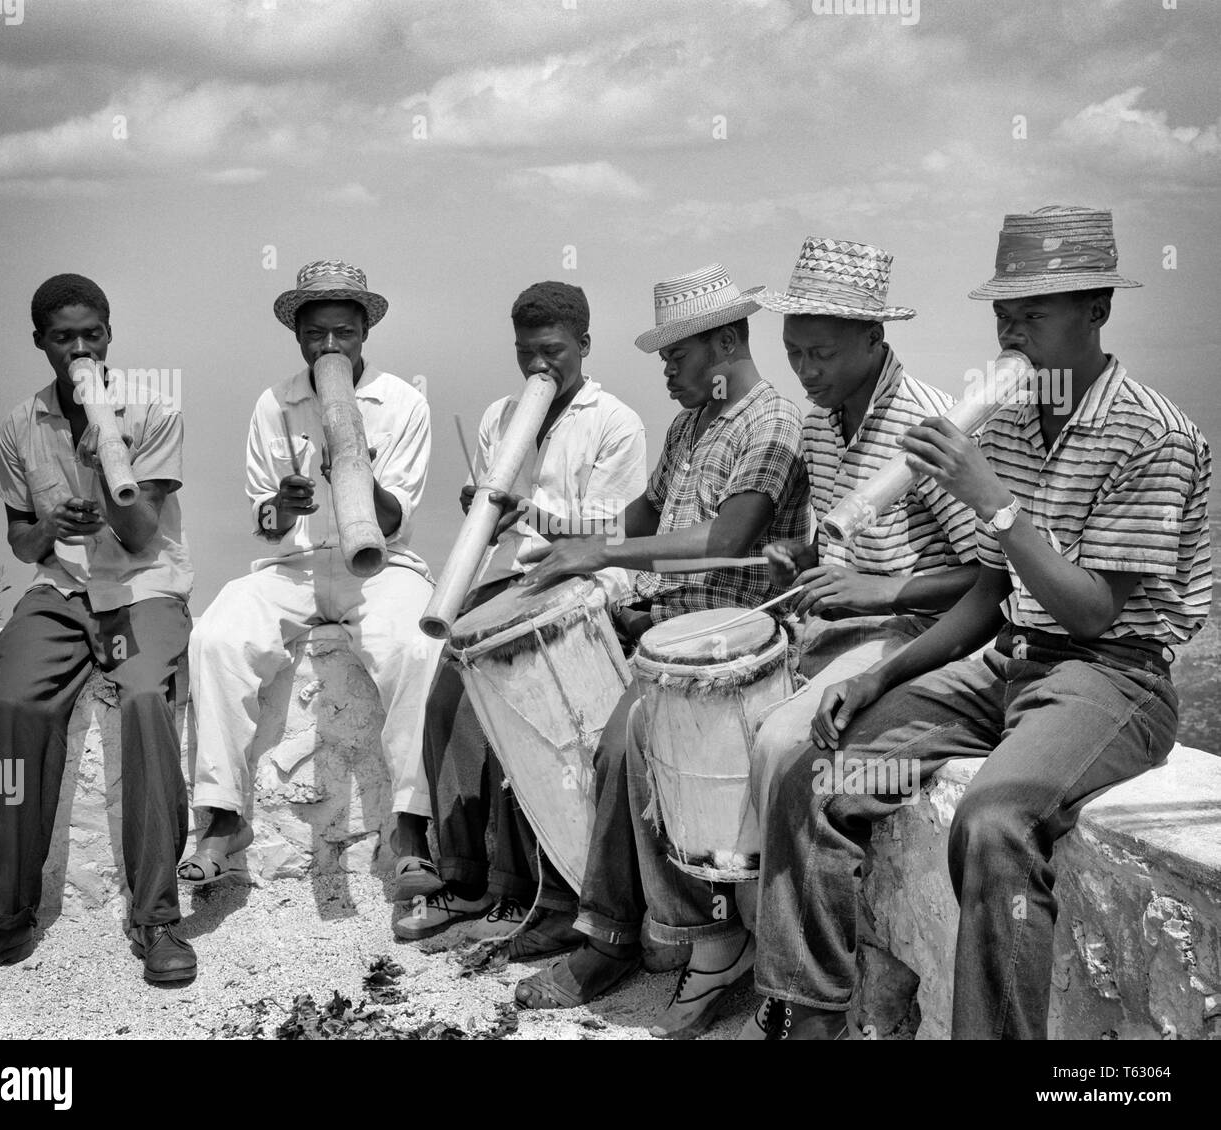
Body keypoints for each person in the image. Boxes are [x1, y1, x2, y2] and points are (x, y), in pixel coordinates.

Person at [742, 206, 1211, 1040]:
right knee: (820, 772)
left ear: (1097, 310)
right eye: (1004, 313)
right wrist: (883, 676)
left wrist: (991, 500)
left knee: (994, 823)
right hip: (1012, 660)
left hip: (1114, 678)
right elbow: (996, 591)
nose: (1012, 332)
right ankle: (810, 1013)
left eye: (1034, 312)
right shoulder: (1016, 416)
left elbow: (1094, 610)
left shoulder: (1154, 434)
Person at [622, 236, 981, 1038]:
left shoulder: (928, 426)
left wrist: (879, 588)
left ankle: (798, 1002)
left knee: (787, 746)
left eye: (822, 353)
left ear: (875, 341)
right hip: (838, 620)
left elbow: (989, 579)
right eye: (795, 352)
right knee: (670, 719)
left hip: (913, 629)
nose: (808, 371)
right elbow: (838, 542)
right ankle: (715, 940)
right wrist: (806, 558)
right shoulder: (822, 424)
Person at [510, 262, 813, 1009]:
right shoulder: (689, 424)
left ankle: (615, 937)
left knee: (622, 745)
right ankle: (553, 898)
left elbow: (730, 537)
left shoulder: (772, 423)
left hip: (725, 639)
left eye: (677, 355)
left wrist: (604, 556)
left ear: (725, 344)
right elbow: (642, 517)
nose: (667, 370)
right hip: (666, 626)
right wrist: (557, 530)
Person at [0, 273, 197, 988]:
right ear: (41, 341)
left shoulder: (154, 408)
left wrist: (103, 463)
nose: (80, 348)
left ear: (110, 334)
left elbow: (140, 535)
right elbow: (21, 541)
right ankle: (1, 918)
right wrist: (54, 525)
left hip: (141, 589)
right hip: (63, 589)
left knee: (143, 701)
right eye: (63, 337)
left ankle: (157, 918)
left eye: (92, 334)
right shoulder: (20, 426)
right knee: (14, 708)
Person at [396, 280, 647, 946]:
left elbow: (611, 531)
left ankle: (516, 891)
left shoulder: (614, 423)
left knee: (512, 699)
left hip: (582, 581)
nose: (539, 367)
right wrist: (482, 508)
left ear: (585, 345)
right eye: (526, 353)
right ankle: (461, 876)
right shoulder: (499, 418)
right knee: (447, 694)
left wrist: (531, 512)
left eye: (553, 351)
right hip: (512, 576)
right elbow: (497, 532)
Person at [184, 260, 440, 890]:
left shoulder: (404, 403)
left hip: (376, 566)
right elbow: (265, 521)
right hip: (292, 566)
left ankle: (410, 829)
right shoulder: (273, 403)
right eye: (317, 334)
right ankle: (221, 819)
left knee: (416, 645)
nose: (331, 346)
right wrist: (285, 504)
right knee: (215, 639)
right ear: (298, 336)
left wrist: (349, 461)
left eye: (343, 333)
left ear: (364, 335)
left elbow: (393, 516)